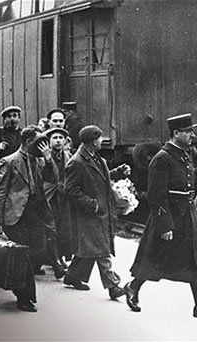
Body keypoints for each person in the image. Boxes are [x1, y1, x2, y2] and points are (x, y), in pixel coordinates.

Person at [125, 114, 197, 320]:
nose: (192, 135)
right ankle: (133, 287)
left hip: (187, 215)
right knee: (154, 257)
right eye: (188, 132)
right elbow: (156, 195)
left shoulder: (185, 153)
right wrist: (165, 225)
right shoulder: (162, 158)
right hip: (168, 217)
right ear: (176, 133)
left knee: (195, 258)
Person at [0, 126, 55, 312]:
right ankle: (24, 297)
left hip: (35, 214)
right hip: (16, 216)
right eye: (39, 142)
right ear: (28, 142)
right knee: (23, 257)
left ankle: (22, 290)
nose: (43, 146)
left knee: (39, 251)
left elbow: (53, 179)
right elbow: (0, 193)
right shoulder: (9, 162)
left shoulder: (40, 161)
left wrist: (48, 158)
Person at [63, 125, 125, 300]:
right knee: (101, 249)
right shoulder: (76, 162)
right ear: (92, 142)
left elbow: (101, 178)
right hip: (89, 215)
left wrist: (119, 173)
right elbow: (71, 190)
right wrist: (92, 205)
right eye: (99, 139)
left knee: (92, 248)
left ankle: (72, 276)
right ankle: (113, 286)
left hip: (100, 214)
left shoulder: (97, 159)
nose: (101, 141)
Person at [41, 127, 72, 279]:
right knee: (50, 229)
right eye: (55, 138)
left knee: (62, 228)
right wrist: (47, 160)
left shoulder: (68, 156)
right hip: (48, 196)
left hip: (63, 197)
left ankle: (59, 257)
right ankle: (56, 263)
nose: (58, 140)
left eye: (61, 138)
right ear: (49, 141)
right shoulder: (42, 157)